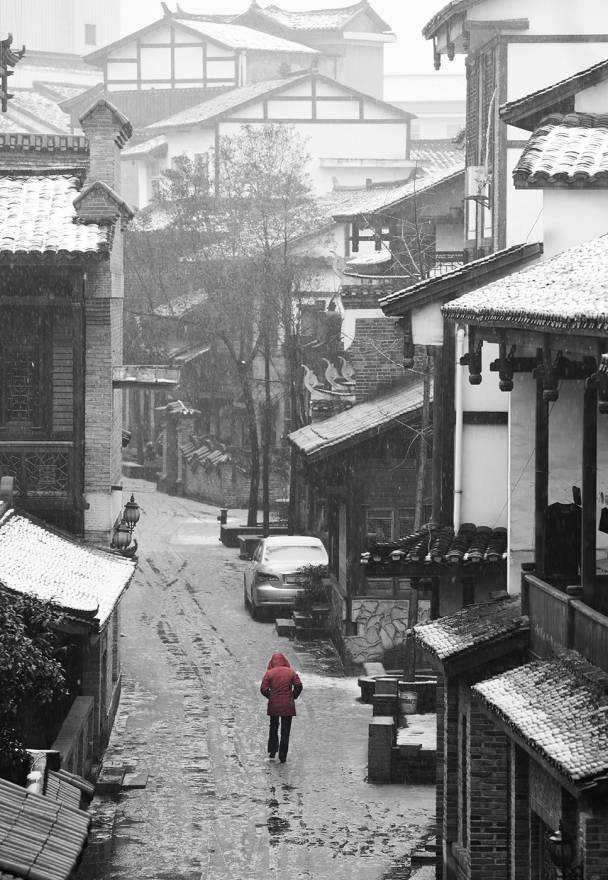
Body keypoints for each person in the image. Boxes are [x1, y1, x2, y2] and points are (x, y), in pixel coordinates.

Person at [260, 652, 302, 763]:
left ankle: (272, 751)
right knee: (285, 730)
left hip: (274, 705)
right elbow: (298, 685)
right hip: (288, 705)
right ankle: (283, 756)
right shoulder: (291, 672)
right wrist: (293, 696)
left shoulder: (269, 673)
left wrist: (271, 697)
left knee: (273, 727)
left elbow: (263, 689)